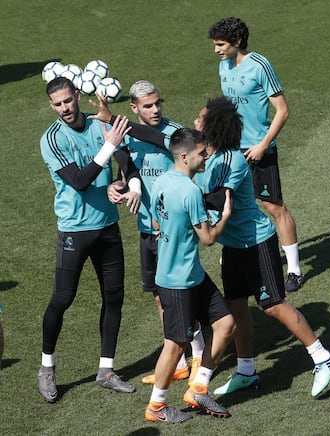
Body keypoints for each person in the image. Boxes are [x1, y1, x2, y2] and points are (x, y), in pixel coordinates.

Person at [193, 96, 330, 397]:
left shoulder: (231, 161)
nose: (196, 121)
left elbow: (218, 202)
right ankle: (246, 371)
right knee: (235, 309)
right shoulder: (208, 158)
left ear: (213, 127)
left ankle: (323, 357)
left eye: (201, 119)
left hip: (256, 243)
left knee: (272, 304)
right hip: (234, 247)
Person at [38, 77, 143, 403]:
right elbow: (80, 181)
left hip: (107, 227)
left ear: (77, 96)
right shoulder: (52, 139)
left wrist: (123, 184)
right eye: (58, 104)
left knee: (114, 296)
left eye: (68, 101)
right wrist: (109, 146)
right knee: (63, 298)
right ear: (52, 106)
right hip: (74, 231)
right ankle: (46, 367)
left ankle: (106, 370)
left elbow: (127, 163)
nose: (65, 108)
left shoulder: (100, 125)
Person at [106, 81, 205, 385]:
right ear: (134, 108)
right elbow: (125, 169)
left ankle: (199, 354)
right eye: (147, 106)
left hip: (173, 231)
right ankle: (176, 361)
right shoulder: (126, 137)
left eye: (158, 103)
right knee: (160, 297)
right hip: (147, 228)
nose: (156, 109)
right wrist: (117, 185)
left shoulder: (174, 134)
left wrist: (111, 119)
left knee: (183, 296)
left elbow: (152, 137)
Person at [145, 128, 235, 424]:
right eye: (201, 153)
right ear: (184, 156)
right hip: (178, 282)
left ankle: (198, 387)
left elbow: (156, 220)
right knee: (175, 344)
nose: (206, 156)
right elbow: (208, 238)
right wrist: (223, 218)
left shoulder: (160, 181)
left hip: (191, 275)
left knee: (225, 323)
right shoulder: (190, 191)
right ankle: (156, 406)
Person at [208, 17, 303, 293]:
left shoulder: (260, 66)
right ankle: (240, 255)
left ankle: (295, 269)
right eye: (215, 44)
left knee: (274, 207)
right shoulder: (223, 66)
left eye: (221, 44)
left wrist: (262, 145)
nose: (217, 50)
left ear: (237, 41)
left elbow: (282, 110)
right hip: (232, 151)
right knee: (232, 203)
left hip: (259, 149)